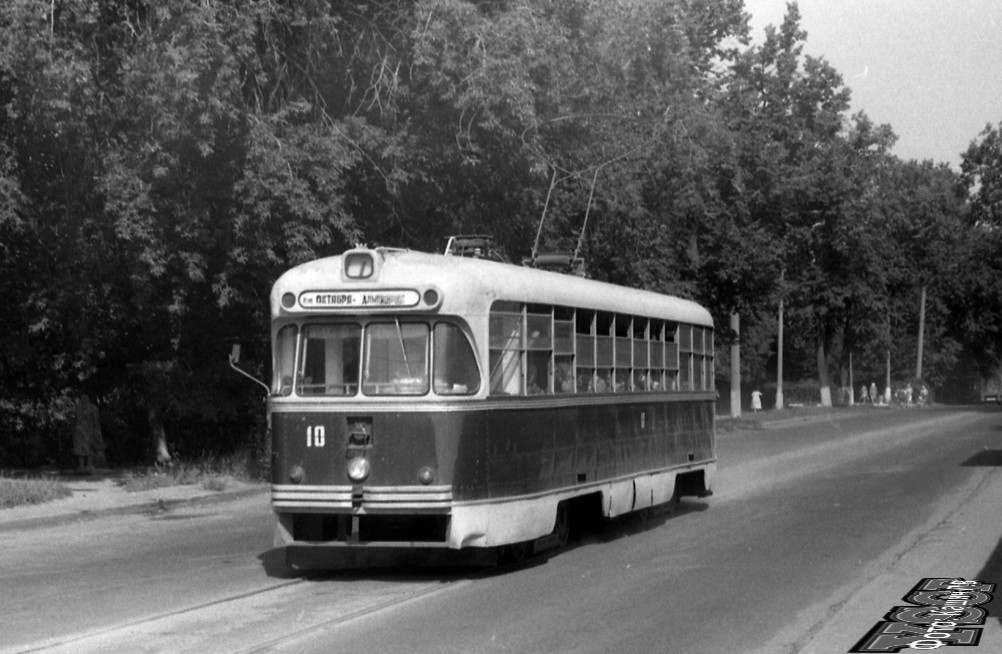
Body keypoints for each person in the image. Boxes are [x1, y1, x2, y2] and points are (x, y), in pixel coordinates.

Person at [73, 394, 103, 474]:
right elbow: (96, 421)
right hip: (89, 431)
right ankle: (88, 467)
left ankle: (82, 468)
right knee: (90, 449)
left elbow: (75, 420)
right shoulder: (93, 408)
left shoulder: (78, 408)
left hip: (79, 431)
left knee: (81, 451)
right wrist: (97, 431)